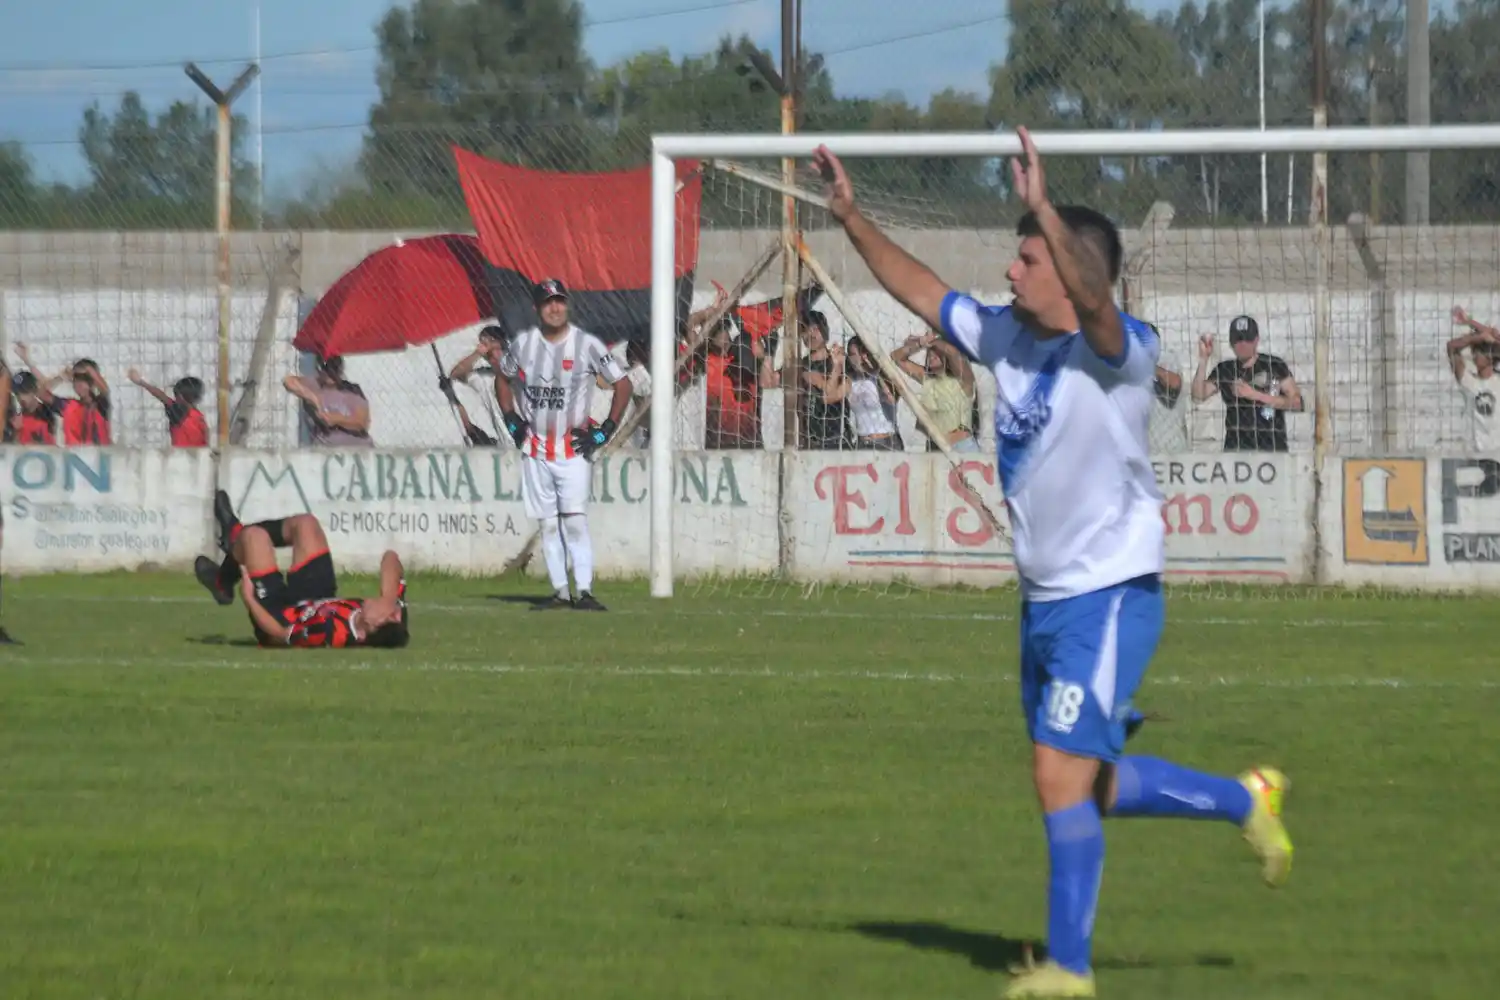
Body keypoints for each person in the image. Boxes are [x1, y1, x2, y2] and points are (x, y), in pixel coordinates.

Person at [816, 129, 1293, 999]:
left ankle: (1069, 971)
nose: (1010, 271)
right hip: (1042, 605)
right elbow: (920, 290)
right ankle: (1245, 800)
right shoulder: (1003, 338)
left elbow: (1099, 305)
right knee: (1090, 784)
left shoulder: (1121, 354)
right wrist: (851, 218)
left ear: (1072, 270)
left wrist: (1045, 205)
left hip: (1109, 596)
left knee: (1054, 776)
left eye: (1027, 257)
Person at [495, 278, 632, 611]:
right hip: (536, 448)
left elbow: (623, 385)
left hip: (573, 447)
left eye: (559, 301)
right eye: (547, 303)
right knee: (547, 523)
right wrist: (511, 419)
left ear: (567, 305)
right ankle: (560, 592)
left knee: (574, 520)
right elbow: (502, 378)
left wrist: (605, 431)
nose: (555, 308)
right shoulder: (524, 344)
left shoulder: (587, 345)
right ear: (536, 309)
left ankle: (584, 591)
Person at [193, 490, 408, 649]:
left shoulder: (329, 634)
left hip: (280, 614)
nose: (396, 613)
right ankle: (234, 540)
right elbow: (391, 558)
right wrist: (389, 598)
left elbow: (280, 634)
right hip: (316, 598)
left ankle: (224, 577)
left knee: (253, 538)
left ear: (375, 623)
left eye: (390, 613)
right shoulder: (391, 616)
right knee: (306, 524)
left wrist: (249, 599)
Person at [1191, 316, 1302, 452]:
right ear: (1231, 343)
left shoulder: (1273, 365)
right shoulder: (1225, 369)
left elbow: (1296, 402)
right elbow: (1198, 395)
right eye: (1238, 339)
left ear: (1256, 340)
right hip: (1236, 449)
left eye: (1247, 339)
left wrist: (1255, 395)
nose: (1243, 345)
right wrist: (1203, 359)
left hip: (1272, 449)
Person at [283, 355, 373, 447]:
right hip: (327, 448)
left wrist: (335, 419)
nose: (331, 373)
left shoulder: (352, 389)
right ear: (319, 369)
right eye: (326, 368)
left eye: (335, 368)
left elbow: (361, 423)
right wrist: (312, 397)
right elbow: (288, 381)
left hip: (358, 447)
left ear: (340, 369)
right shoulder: (314, 385)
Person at [1446, 305, 1500, 452]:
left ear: (1491, 356)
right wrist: (1475, 338)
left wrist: (1471, 322)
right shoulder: (1469, 381)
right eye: (1473, 351)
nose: (1474, 356)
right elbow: (1451, 347)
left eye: (1479, 352)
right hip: (1475, 454)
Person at [127, 369, 209, 447]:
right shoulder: (199, 417)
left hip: (181, 457)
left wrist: (141, 382)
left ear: (180, 397)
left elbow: (162, 396)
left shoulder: (180, 414)